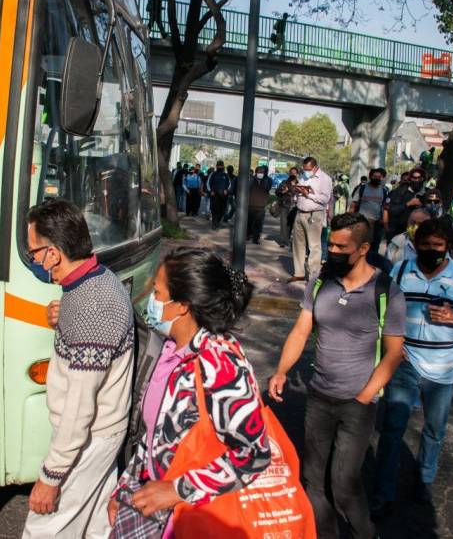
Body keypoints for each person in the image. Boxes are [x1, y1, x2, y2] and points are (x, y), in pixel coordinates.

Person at [109, 248, 269, 536]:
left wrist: (178, 490)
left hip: (195, 517)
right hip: (152, 506)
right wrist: (126, 489)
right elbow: (154, 432)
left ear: (182, 305)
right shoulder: (170, 349)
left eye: (157, 293)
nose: (151, 301)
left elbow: (253, 453)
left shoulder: (221, 363)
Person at [270, 213, 406, 539]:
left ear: (363, 248)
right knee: (314, 480)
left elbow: (394, 353)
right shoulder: (321, 281)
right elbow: (302, 331)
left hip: (357, 402)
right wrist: (281, 371)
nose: (332, 250)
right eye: (330, 243)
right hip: (319, 397)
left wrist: (363, 398)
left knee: (344, 483)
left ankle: (364, 533)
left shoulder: (386, 290)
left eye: (340, 246)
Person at [24, 200, 134, 538]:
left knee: (44, 530)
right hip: (100, 433)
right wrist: (63, 314)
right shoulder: (94, 281)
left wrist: (50, 477)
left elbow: (78, 408)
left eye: (34, 253)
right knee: (95, 529)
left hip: (88, 439)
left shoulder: (92, 307)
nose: (34, 261)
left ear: (54, 253)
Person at [371, 218, 453, 518]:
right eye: (425, 245)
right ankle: (382, 492)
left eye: (438, 246)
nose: (431, 250)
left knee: (434, 430)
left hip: (444, 368)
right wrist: (392, 346)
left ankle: (424, 479)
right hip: (405, 361)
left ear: (447, 247)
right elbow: (385, 309)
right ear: (416, 245)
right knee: (393, 427)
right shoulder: (402, 270)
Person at [289, 156, 333, 282]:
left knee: (314, 246)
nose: (306, 171)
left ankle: (313, 276)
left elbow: (325, 199)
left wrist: (308, 194)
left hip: (314, 214)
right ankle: (299, 272)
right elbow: (299, 192)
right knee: (298, 244)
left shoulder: (325, 179)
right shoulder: (303, 176)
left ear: (315, 167)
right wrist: (296, 192)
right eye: (304, 168)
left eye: (308, 169)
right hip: (300, 212)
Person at [351, 167, 388, 253]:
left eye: (379, 177)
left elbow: (384, 207)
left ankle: (372, 263)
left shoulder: (383, 190)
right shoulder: (362, 188)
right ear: (370, 176)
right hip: (363, 221)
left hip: (377, 223)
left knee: (375, 245)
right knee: (362, 244)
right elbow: (353, 204)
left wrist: (384, 222)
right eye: (375, 176)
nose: (377, 179)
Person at [383, 167, 425, 241]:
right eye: (414, 178)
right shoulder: (398, 192)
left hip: (417, 234)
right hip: (397, 232)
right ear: (410, 179)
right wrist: (408, 204)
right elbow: (391, 210)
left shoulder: (425, 193)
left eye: (419, 178)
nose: (417, 180)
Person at [246, 165, 273, 244]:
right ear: (256, 172)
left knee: (258, 223)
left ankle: (256, 238)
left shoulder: (268, 180)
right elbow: (247, 189)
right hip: (251, 204)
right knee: (249, 222)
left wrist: (263, 180)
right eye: (259, 172)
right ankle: (247, 235)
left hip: (261, 206)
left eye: (262, 172)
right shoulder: (251, 180)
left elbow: (267, 188)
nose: (261, 173)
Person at [275, 166, 301, 247]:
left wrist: (295, 187)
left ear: (297, 174)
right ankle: (283, 241)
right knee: (284, 224)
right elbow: (277, 192)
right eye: (291, 173)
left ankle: (287, 239)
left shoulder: (300, 183)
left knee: (291, 224)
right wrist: (283, 191)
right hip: (285, 205)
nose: (293, 174)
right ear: (289, 174)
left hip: (295, 207)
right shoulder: (284, 182)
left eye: (294, 173)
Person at [206, 160, 231, 230]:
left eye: (221, 165)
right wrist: (210, 191)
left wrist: (227, 190)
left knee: (221, 211)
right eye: (218, 165)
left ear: (223, 166)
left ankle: (218, 223)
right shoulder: (213, 174)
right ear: (216, 166)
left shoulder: (226, 175)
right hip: (214, 196)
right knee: (214, 210)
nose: (220, 166)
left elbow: (229, 184)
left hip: (223, 197)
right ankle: (214, 224)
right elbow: (208, 183)